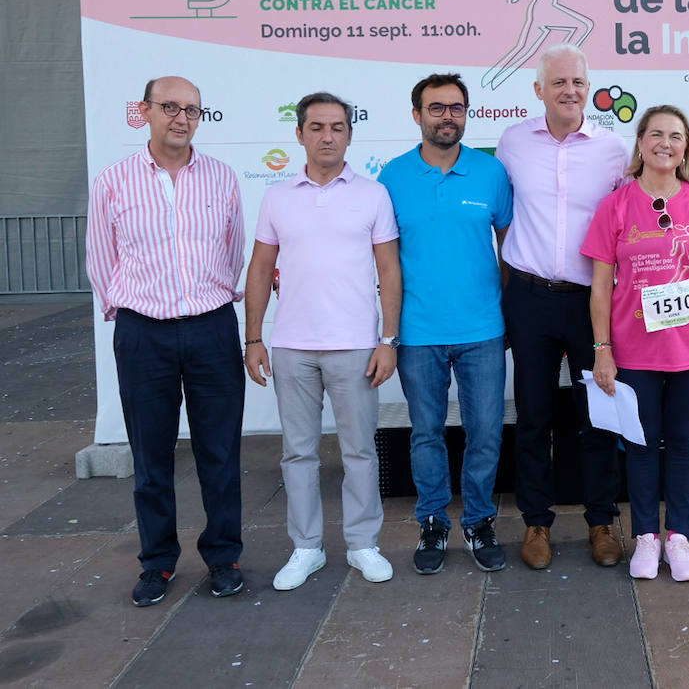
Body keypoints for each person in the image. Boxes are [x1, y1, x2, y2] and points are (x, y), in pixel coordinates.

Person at [86, 76, 247, 606]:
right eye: (171, 107)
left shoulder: (222, 178)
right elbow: (101, 259)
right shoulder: (113, 181)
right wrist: (128, 311)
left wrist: (211, 302)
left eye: (193, 110)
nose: (182, 118)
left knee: (219, 453)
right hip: (143, 334)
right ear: (146, 111)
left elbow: (231, 251)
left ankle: (223, 555)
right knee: (150, 457)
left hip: (211, 329)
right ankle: (157, 563)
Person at [243, 92, 401, 590]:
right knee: (298, 453)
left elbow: (389, 269)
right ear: (300, 134)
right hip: (292, 346)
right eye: (316, 127)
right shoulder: (277, 197)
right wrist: (254, 338)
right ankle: (306, 548)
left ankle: (362, 545)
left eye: (337, 127)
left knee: (359, 452)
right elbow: (261, 267)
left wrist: (388, 338)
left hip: (356, 344)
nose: (327, 135)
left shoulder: (373, 195)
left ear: (350, 134)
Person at [583, 105, 689, 581]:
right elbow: (601, 284)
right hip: (635, 349)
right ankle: (646, 536)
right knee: (642, 445)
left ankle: (680, 537)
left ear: (685, 147)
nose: (665, 143)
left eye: (676, 136)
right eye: (656, 135)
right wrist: (602, 348)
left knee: (684, 443)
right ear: (641, 143)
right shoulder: (617, 205)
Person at [497, 44, 628, 570]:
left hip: (592, 303)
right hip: (528, 298)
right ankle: (535, 524)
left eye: (577, 81)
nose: (569, 91)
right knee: (533, 416)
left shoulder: (615, 149)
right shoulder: (511, 143)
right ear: (538, 90)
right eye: (558, 83)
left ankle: (601, 521)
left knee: (598, 416)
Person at [378, 73, 514, 573]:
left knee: (484, 433)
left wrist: (502, 309)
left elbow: (508, 248)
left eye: (456, 107)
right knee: (426, 433)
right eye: (436, 108)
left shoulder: (491, 172)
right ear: (417, 115)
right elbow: (385, 260)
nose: (447, 116)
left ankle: (479, 521)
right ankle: (432, 521)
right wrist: (389, 332)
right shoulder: (391, 177)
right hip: (418, 333)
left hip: (482, 330)